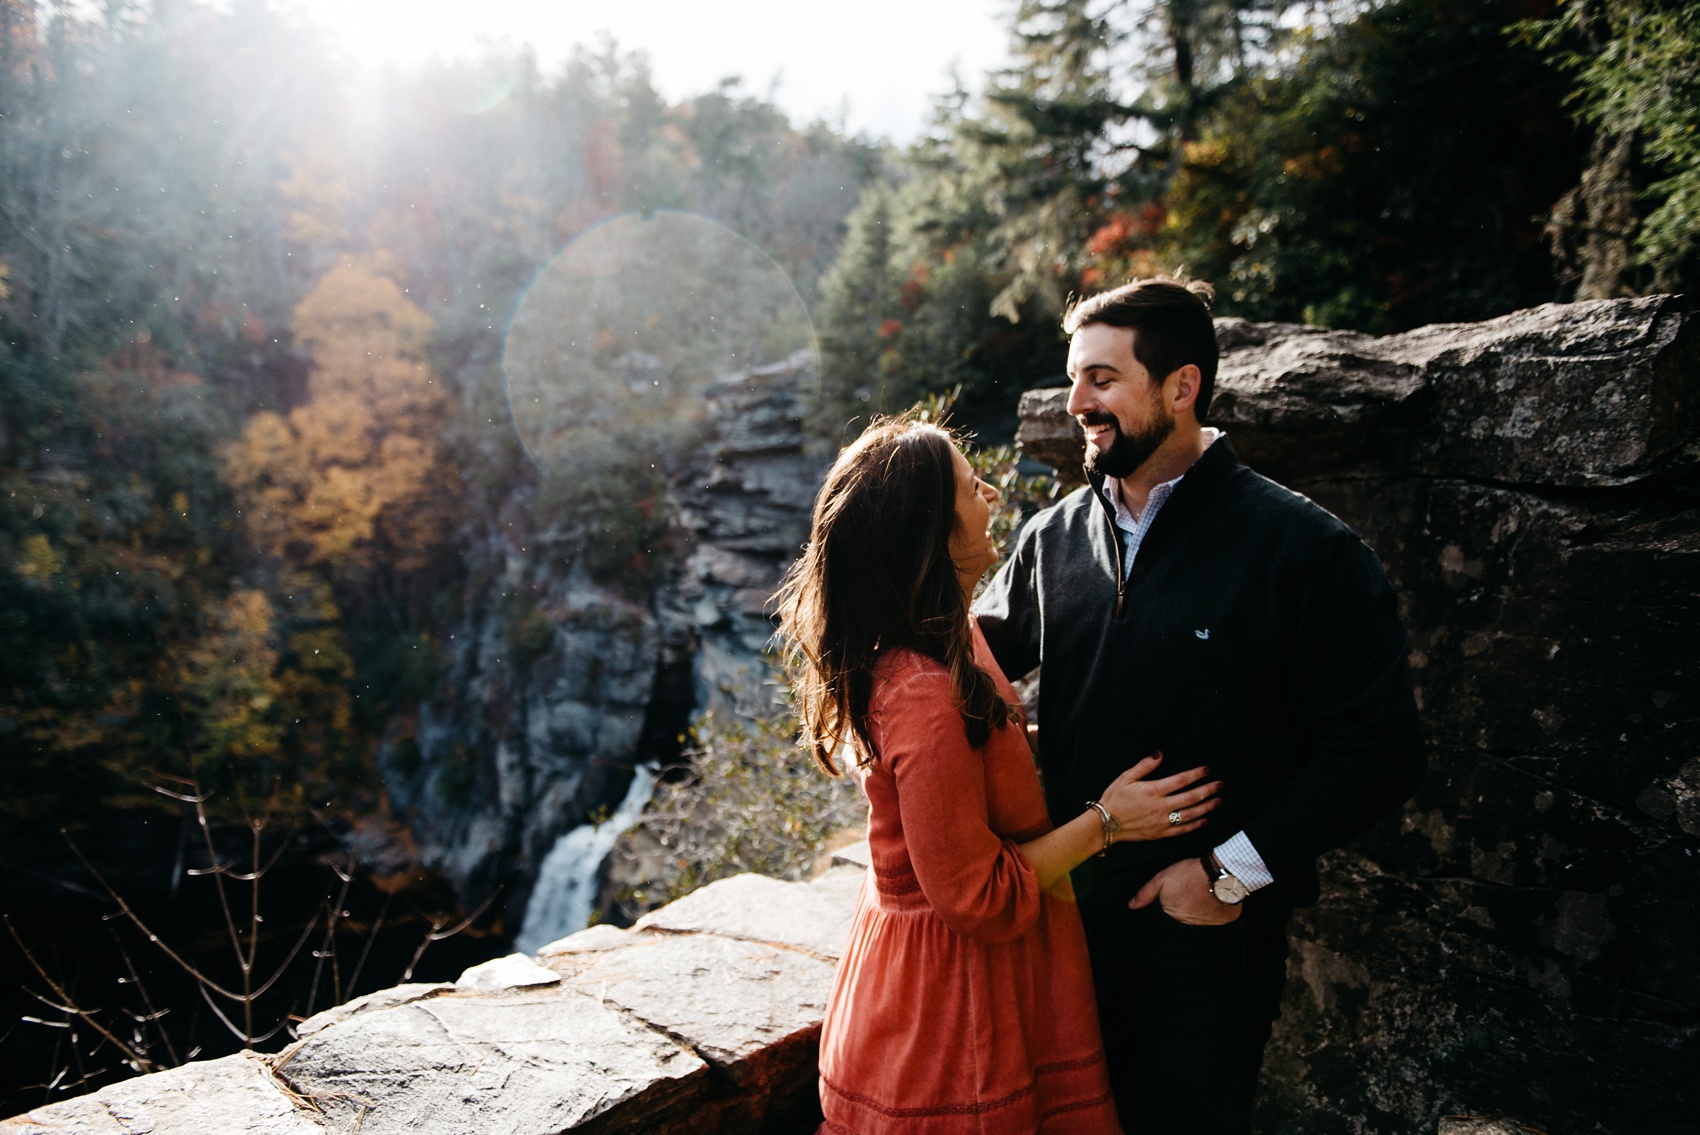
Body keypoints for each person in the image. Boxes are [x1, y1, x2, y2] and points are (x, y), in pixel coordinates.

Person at [974, 277, 1427, 1134]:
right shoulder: (1052, 538)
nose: (1076, 403)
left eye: (1102, 380)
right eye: (1075, 379)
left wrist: (1226, 874)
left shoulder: (1304, 550)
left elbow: (1381, 748)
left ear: (1181, 387)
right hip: (1062, 926)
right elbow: (966, 672)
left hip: (1200, 946)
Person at [776, 417, 1223, 1135]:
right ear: (931, 528)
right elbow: (976, 895)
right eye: (967, 483)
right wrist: (1110, 822)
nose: (988, 489)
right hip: (953, 1007)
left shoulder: (951, 631)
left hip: (978, 978)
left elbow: (976, 756)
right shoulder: (919, 686)